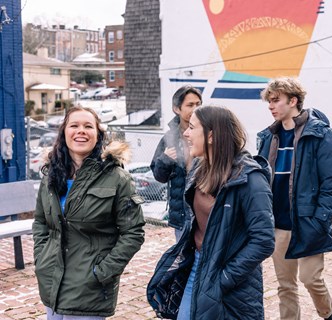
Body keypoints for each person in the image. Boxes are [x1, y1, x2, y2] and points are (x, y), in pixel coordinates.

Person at [147, 106, 275, 319]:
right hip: (198, 265)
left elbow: (263, 240)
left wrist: (224, 278)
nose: (186, 133)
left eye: (192, 128)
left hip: (230, 277)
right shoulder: (199, 167)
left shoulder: (250, 178)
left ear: (211, 136)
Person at [33, 106, 145, 319]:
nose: (80, 131)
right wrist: (41, 258)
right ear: (64, 133)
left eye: (88, 126)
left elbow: (133, 233)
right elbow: (40, 221)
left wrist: (102, 272)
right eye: (74, 125)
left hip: (89, 289)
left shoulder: (117, 178)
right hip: (51, 283)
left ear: (98, 135)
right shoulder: (50, 176)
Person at [257, 77, 332, 320]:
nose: (271, 106)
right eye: (269, 102)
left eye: (276, 101)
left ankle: (328, 315)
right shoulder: (268, 138)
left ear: (293, 100)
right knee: (285, 286)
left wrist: (321, 221)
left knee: (310, 279)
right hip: (278, 225)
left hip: (308, 222)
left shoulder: (320, 134)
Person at [150, 85, 202, 241]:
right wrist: (165, 160)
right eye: (190, 105)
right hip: (182, 215)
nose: (195, 108)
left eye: (198, 104)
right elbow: (159, 176)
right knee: (183, 259)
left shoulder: (208, 134)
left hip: (205, 212)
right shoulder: (169, 138)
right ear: (176, 109)